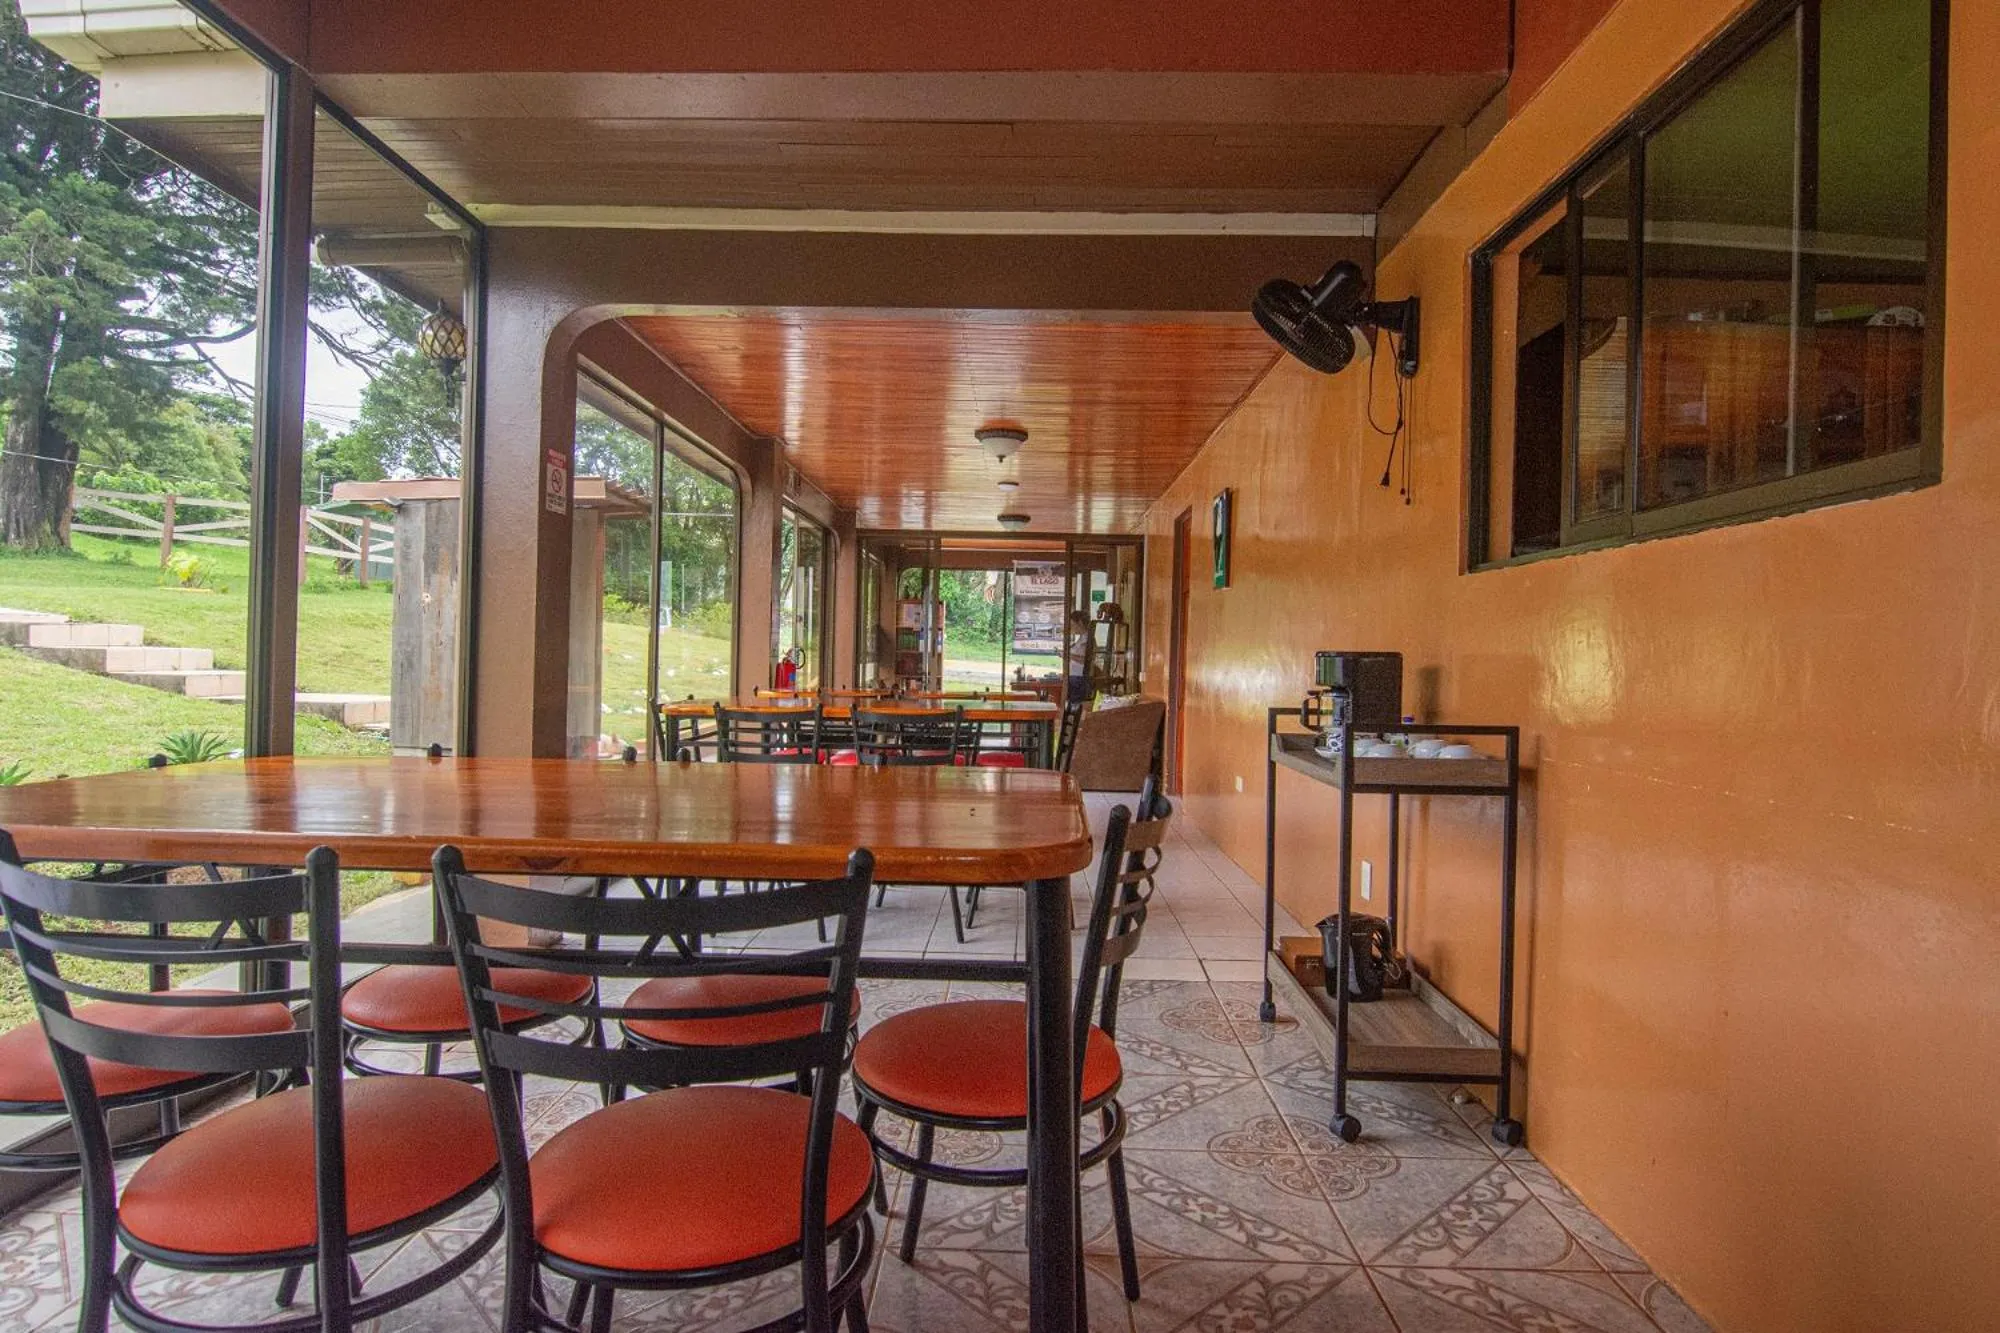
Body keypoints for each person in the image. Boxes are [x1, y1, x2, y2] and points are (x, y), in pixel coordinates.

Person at [1065, 609, 1093, 705]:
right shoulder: (1081, 638)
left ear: (1080, 623)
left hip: (1079, 679)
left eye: (1073, 624)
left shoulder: (1087, 639)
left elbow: (1086, 660)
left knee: (1075, 705)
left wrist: (1068, 655)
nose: (1071, 627)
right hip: (1074, 678)